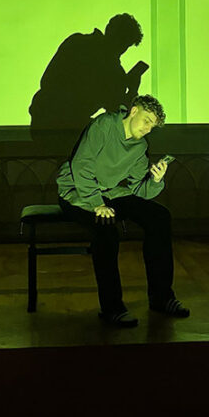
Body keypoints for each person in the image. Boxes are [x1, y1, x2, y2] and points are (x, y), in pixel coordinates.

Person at [56, 94, 189, 327]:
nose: (148, 129)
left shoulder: (140, 147)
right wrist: (96, 203)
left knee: (159, 217)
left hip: (111, 193)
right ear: (134, 111)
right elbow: (81, 165)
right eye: (146, 121)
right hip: (77, 191)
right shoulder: (105, 125)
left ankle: (161, 297)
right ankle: (112, 308)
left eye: (153, 126)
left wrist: (155, 180)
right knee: (107, 231)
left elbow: (138, 189)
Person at [30, 14, 148, 137]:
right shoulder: (114, 72)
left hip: (41, 120)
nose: (122, 50)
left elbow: (47, 80)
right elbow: (118, 114)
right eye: (124, 44)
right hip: (70, 127)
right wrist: (132, 89)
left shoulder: (76, 42)